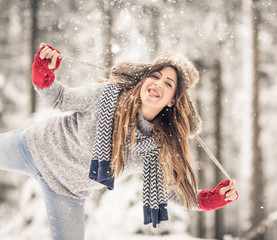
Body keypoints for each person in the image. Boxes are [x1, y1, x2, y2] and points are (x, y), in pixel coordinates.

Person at [0, 43, 238, 240]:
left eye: (168, 83)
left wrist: (211, 199)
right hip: (33, 147)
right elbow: (59, 98)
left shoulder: (153, 147)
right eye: (155, 76)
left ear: (172, 101)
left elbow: (170, 193)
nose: (157, 84)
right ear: (144, 80)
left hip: (68, 192)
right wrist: (44, 70)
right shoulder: (107, 95)